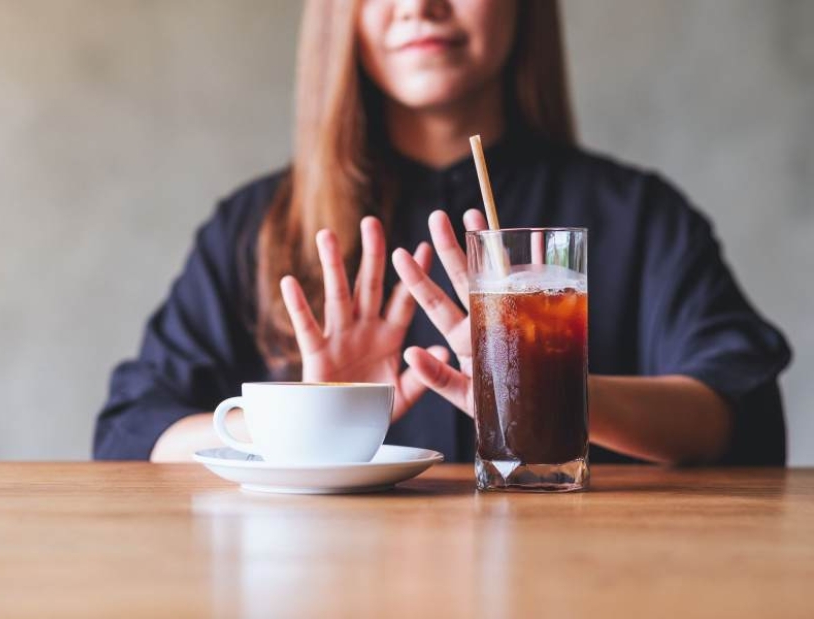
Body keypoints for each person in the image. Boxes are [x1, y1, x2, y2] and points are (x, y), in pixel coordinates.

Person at [94, 0, 791, 465]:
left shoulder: (637, 215)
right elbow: (133, 432)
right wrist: (309, 420)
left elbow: (739, 414)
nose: (419, 5)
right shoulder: (255, 226)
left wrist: (548, 389)